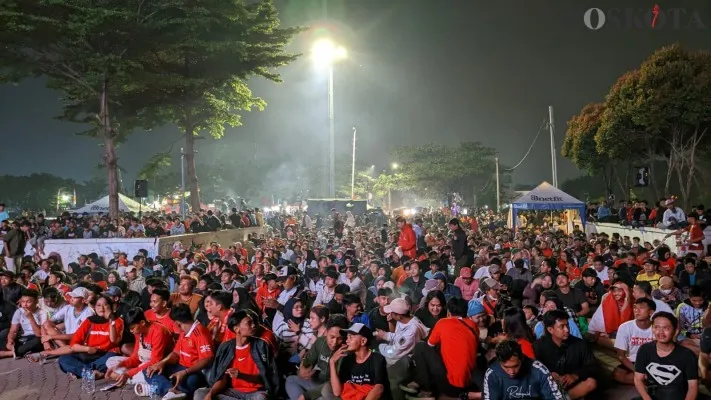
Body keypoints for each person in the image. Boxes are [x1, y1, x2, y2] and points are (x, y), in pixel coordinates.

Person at [196, 309, 279, 400]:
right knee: (201, 393)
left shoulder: (261, 346)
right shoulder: (226, 348)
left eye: (253, 322)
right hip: (233, 392)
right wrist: (210, 394)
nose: (254, 325)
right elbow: (222, 379)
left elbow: (264, 378)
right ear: (237, 329)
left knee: (261, 398)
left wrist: (241, 376)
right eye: (249, 323)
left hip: (255, 393)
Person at [144, 304, 214, 400]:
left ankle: (166, 388)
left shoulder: (200, 332)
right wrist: (162, 363)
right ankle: (170, 390)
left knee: (191, 382)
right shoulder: (183, 332)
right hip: (179, 367)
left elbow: (207, 358)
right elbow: (176, 353)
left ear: (177, 323)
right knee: (149, 369)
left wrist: (185, 372)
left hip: (193, 372)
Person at [105, 308, 174, 394]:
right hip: (142, 362)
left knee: (146, 372)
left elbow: (155, 362)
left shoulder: (158, 332)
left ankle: (127, 378)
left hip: (156, 365)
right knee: (111, 361)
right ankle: (126, 377)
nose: (131, 331)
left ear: (142, 323)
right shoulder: (139, 332)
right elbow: (135, 357)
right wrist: (119, 365)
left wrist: (128, 373)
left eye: (133, 328)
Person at [533, 310, 598, 399]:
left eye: (567, 325)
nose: (567, 330)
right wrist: (548, 375)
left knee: (591, 383)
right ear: (550, 329)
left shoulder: (580, 344)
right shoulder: (538, 346)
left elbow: (592, 366)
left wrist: (575, 375)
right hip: (549, 386)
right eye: (562, 327)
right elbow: (533, 370)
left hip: (573, 386)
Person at [53, 295, 123, 377]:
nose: (102, 308)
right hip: (89, 353)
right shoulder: (89, 320)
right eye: (98, 305)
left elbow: (113, 340)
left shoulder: (117, 321)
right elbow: (73, 345)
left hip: (106, 354)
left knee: (112, 359)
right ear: (95, 308)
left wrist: (111, 320)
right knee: (64, 359)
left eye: (105, 305)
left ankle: (84, 372)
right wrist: (87, 349)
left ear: (111, 307)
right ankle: (92, 372)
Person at [634, 312, 698, 400]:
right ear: (652, 329)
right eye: (656, 327)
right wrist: (646, 398)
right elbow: (638, 379)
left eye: (666, 328)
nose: (660, 332)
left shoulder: (687, 355)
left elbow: (693, 386)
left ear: (675, 331)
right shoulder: (645, 350)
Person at [285, 315, 348, 400]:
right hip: (317, 383)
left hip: (331, 391)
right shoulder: (320, 342)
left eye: (340, 339)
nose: (334, 343)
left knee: (322, 396)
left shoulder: (346, 351)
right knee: (291, 380)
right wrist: (304, 368)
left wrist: (307, 396)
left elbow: (335, 387)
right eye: (332, 337)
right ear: (326, 332)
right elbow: (307, 363)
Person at [483, 340, 566, 400]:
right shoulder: (492, 374)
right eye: (506, 367)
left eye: (515, 366)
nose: (511, 371)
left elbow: (555, 397)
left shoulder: (538, 370)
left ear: (522, 359)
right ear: (499, 363)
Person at [328, 323, 390, 400]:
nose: (347, 341)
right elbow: (337, 392)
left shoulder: (377, 359)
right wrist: (332, 362)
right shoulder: (347, 360)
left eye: (351, 337)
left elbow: (379, 389)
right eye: (347, 337)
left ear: (363, 341)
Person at [612, 298, 655, 385]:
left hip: (653, 361)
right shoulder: (625, 327)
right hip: (633, 362)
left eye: (641, 308)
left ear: (651, 312)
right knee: (618, 374)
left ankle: (649, 380)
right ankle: (650, 381)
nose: (637, 311)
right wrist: (638, 371)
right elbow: (621, 356)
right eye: (635, 308)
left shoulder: (657, 327)